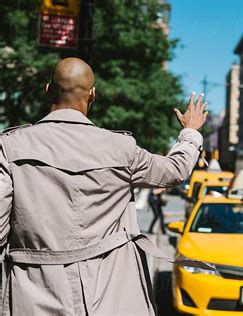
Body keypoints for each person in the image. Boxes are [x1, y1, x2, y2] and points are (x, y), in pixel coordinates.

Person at [0, 58, 208, 315]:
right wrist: (190, 133)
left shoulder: (9, 147)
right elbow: (174, 171)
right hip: (108, 295)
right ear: (93, 95)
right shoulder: (121, 149)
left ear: (48, 90)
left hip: (32, 295)